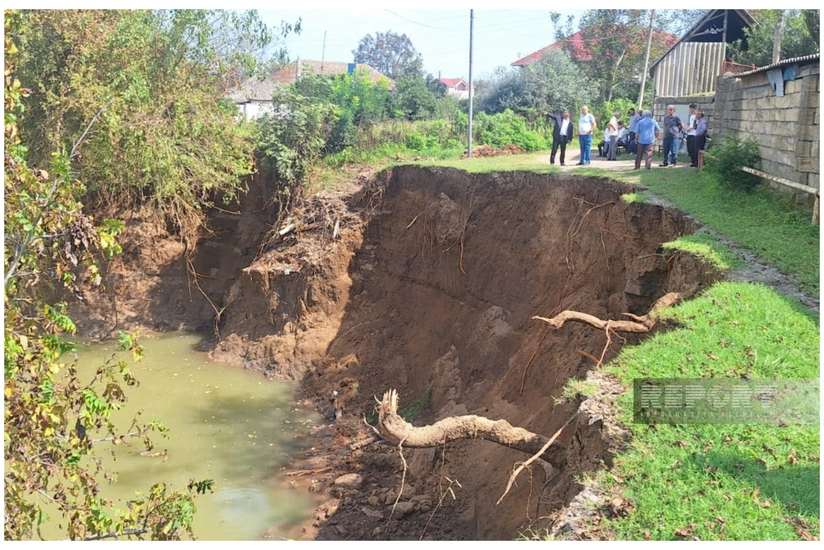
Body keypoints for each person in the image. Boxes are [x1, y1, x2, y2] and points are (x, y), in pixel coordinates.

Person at [685, 103, 698, 167]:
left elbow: (695, 125)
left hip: (694, 134)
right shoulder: (691, 116)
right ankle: (693, 161)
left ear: (693, 109)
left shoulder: (696, 116)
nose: (689, 110)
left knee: (693, 149)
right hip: (689, 134)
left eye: (690, 108)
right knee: (689, 149)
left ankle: (695, 162)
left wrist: (690, 128)